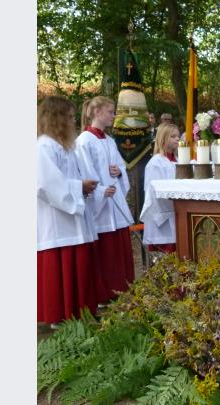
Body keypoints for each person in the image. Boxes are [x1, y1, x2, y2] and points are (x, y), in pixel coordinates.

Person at [37, 96, 99, 325]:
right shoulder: (44, 146)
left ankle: (78, 313)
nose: (74, 122)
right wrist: (78, 187)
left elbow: (68, 178)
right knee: (60, 270)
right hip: (57, 222)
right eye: (70, 117)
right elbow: (45, 184)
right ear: (56, 119)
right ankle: (59, 315)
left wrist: (83, 185)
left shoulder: (65, 146)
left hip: (72, 217)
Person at [75, 96, 135, 303]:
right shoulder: (84, 140)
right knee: (105, 253)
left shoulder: (110, 141)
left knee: (118, 251)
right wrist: (99, 191)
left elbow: (120, 166)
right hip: (100, 203)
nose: (114, 115)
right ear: (96, 112)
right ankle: (104, 293)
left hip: (114, 199)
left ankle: (122, 289)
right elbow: (84, 170)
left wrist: (120, 171)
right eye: (110, 111)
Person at [140, 123, 180, 254]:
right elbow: (153, 193)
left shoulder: (179, 161)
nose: (177, 139)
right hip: (162, 219)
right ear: (163, 138)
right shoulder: (156, 163)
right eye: (173, 136)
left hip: (177, 214)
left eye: (178, 136)